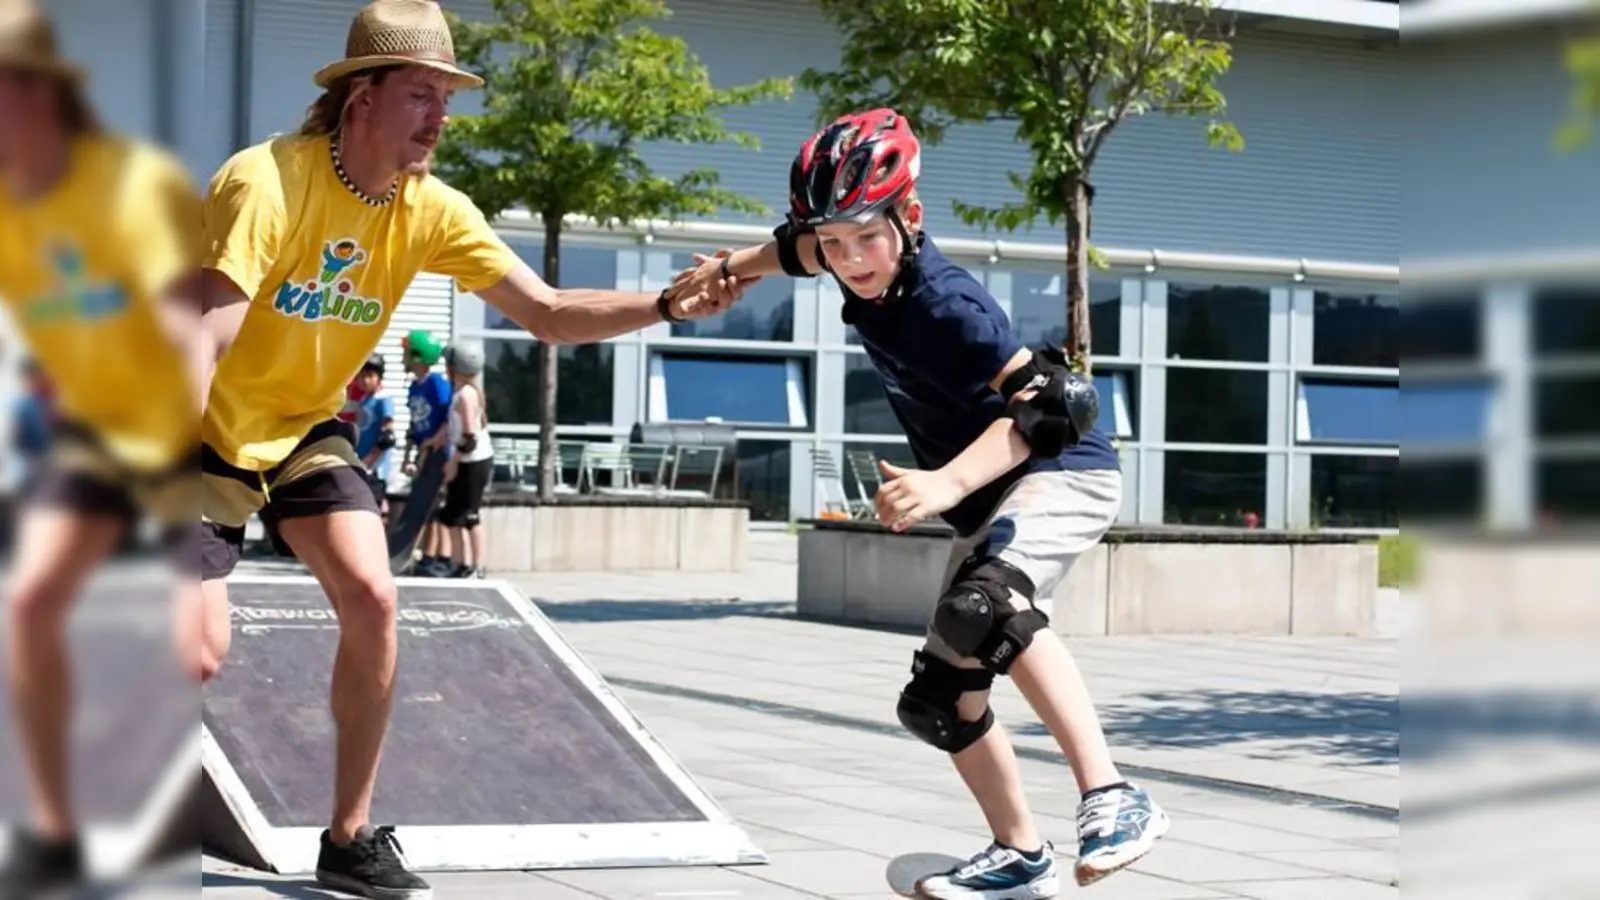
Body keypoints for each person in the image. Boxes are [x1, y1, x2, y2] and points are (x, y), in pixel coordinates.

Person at [193, 2, 750, 897]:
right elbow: (201, 340)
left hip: (302, 428)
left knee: (376, 596)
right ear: (360, 98)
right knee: (199, 653)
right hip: (205, 427)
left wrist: (669, 305)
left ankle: (349, 836)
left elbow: (552, 314)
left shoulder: (432, 210)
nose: (440, 116)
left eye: (447, 97)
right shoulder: (269, 182)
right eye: (422, 95)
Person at [676, 108, 1168, 897]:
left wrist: (942, 484)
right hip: (991, 499)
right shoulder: (838, 250)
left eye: (865, 239)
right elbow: (789, 247)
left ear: (910, 217)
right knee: (940, 699)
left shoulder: (947, 305)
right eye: (835, 247)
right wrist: (729, 271)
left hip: (1063, 470)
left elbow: (1053, 409)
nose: (850, 262)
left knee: (988, 605)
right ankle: (1019, 855)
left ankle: (1114, 795)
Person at [0, 1, 210, 895]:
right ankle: (54, 832)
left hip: (175, 435)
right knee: (34, 608)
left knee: (196, 653)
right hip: (88, 441)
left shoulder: (131, 183)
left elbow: (189, 335)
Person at [434, 341, 493, 578]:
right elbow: (453, 427)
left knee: (469, 516)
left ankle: (477, 567)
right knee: (451, 515)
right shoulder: (460, 393)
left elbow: (470, 439)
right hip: (466, 460)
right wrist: (435, 440)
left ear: (453, 368)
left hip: (473, 461)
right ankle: (460, 565)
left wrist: (453, 464)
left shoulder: (466, 396)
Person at [399, 329, 453, 574]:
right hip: (424, 452)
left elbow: (449, 419)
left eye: (407, 354)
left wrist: (432, 442)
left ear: (418, 357)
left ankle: (437, 557)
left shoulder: (438, 384)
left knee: (434, 507)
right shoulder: (414, 387)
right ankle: (428, 557)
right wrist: (408, 456)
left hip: (441, 452)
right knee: (425, 508)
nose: (404, 358)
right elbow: (413, 425)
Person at [339, 352, 397, 517]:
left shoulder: (383, 399)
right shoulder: (364, 399)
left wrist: (370, 460)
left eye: (370, 376)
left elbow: (387, 437)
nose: (365, 380)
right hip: (363, 462)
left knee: (374, 507)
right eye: (361, 376)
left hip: (375, 466)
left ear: (379, 377)